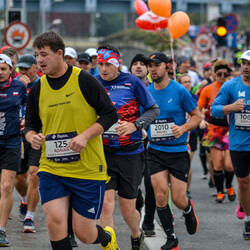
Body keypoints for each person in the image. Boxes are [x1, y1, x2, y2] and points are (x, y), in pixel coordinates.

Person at [24, 31, 119, 250]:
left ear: (59, 54)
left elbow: (109, 115)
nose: (39, 60)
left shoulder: (84, 80)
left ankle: (107, 238)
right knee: (55, 222)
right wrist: (32, 137)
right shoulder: (38, 88)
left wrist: (85, 136)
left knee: (84, 233)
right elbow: (30, 125)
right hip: (52, 167)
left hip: (86, 168)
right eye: (36, 54)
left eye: (44, 54)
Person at [96, 44, 159, 249]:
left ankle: (135, 233)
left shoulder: (132, 82)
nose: (103, 69)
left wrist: (135, 124)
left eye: (107, 64)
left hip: (131, 153)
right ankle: (110, 246)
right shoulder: (92, 83)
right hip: (103, 152)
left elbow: (153, 110)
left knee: (127, 209)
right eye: (100, 64)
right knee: (105, 203)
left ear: (117, 64)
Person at [145, 52, 201, 250]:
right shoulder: (146, 91)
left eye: (156, 65)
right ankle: (171, 238)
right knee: (160, 195)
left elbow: (197, 116)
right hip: (155, 151)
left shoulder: (179, 90)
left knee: (178, 198)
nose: (152, 69)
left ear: (167, 67)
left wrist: (183, 128)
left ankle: (187, 210)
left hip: (177, 151)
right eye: (149, 65)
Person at [211, 50, 250, 240]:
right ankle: (248, 220)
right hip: (239, 143)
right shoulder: (230, 86)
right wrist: (231, 107)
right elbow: (214, 109)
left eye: (249, 63)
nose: (246, 67)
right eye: (243, 63)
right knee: (243, 182)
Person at [198, 59, 236, 203]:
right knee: (218, 164)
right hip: (214, 128)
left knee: (229, 165)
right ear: (214, 74)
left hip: (230, 128)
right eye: (219, 74)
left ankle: (229, 186)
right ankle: (220, 191)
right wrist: (201, 119)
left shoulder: (233, 88)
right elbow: (198, 108)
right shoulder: (208, 89)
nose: (222, 77)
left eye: (225, 74)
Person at [0, 53, 27, 247]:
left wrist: (26, 118)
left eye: (3, 69)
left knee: (7, 186)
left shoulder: (19, 86)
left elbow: (29, 104)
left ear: (11, 70)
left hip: (12, 141)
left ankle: (1, 231)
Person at [130, 53, 157, 237]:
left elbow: (157, 111)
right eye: (135, 64)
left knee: (152, 184)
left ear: (148, 69)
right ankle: (137, 205)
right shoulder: (125, 87)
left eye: (142, 64)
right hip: (131, 143)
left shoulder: (154, 88)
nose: (139, 67)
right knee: (134, 186)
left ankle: (148, 223)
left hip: (154, 143)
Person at [14, 54, 41, 233]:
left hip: (36, 135)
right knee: (18, 178)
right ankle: (24, 199)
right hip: (16, 136)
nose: (23, 72)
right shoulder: (15, 84)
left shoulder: (43, 84)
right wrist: (21, 87)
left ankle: (30, 216)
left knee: (34, 173)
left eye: (26, 68)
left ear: (34, 67)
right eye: (20, 69)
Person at [177, 73, 199, 199]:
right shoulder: (176, 96)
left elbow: (198, 113)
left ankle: (187, 189)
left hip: (192, 134)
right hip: (178, 134)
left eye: (189, 81)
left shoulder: (195, 97)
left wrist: (200, 121)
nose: (188, 84)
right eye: (184, 82)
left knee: (187, 164)